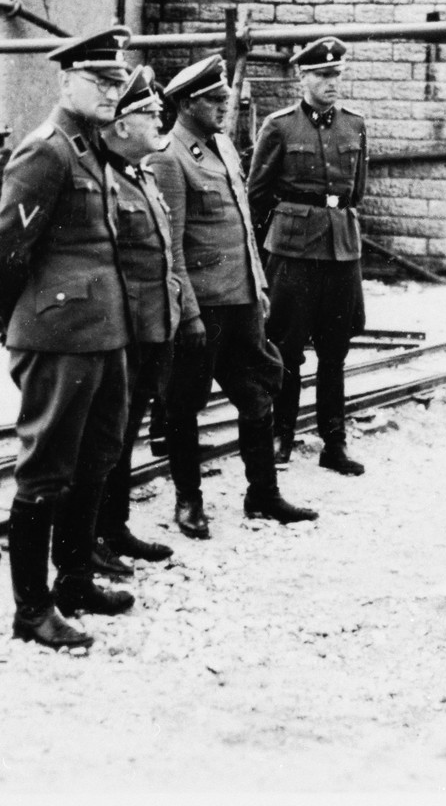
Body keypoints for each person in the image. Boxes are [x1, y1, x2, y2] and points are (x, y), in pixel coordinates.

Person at [0, 25, 137, 651]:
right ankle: (31, 610)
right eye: (100, 79)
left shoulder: (92, 147)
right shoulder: (46, 152)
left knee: (96, 458)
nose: (111, 90)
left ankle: (75, 580)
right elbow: (4, 254)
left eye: (117, 80)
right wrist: (19, 326)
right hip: (58, 335)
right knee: (45, 470)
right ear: (66, 79)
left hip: (103, 332)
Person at [151, 54, 318, 538]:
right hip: (203, 308)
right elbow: (171, 243)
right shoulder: (168, 155)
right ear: (186, 104)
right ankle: (189, 501)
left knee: (259, 392)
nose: (225, 104)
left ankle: (262, 494)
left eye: (225, 96)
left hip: (242, 301)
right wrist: (188, 313)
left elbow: (244, 223)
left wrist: (259, 286)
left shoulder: (222, 145)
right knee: (184, 405)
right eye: (214, 99)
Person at [248, 36, 368, 475]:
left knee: (335, 350)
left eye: (336, 74)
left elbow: (357, 191)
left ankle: (333, 443)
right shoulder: (279, 126)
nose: (331, 82)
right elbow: (256, 195)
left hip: (341, 249)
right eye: (322, 75)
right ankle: (283, 435)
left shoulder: (354, 125)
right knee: (287, 347)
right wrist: (265, 256)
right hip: (293, 251)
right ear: (303, 77)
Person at [92, 66, 178, 578]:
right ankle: (90, 537)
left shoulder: (140, 174)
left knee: (125, 435)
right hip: (117, 332)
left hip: (149, 329)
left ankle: (115, 525)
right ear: (121, 125)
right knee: (102, 439)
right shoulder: (103, 176)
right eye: (147, 112)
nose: (157, 119)